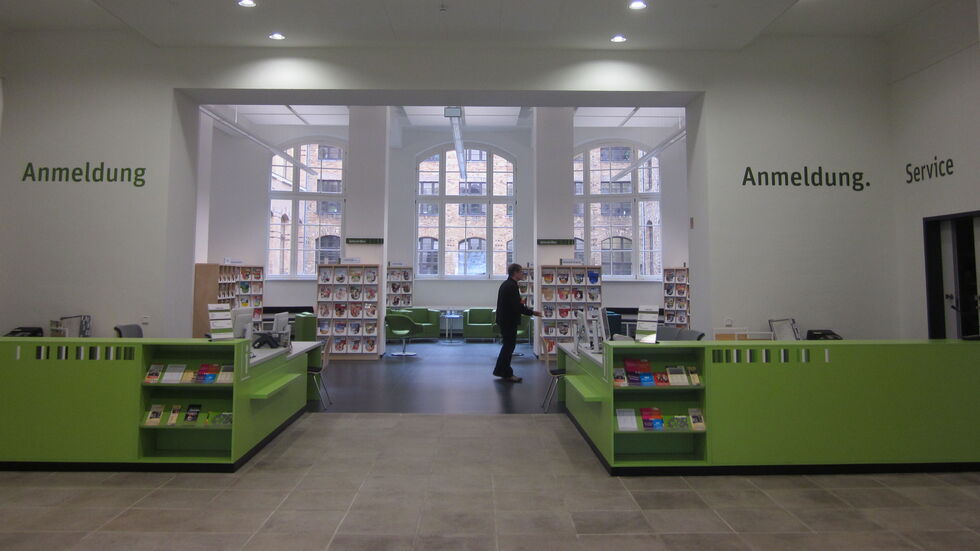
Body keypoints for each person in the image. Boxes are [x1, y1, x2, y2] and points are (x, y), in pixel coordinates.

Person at [494, 263, 541, 382]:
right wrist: (532, 312)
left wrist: (520, 305)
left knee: (507, 346)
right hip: (508, 321)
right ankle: (507, 373)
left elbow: (513, 305)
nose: (523, 274)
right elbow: (516, 307)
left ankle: (501, 371)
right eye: (521, 272)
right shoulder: (511, 286)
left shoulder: (508, 284)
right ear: (515, 272)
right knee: (509, 347)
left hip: (505, 320)